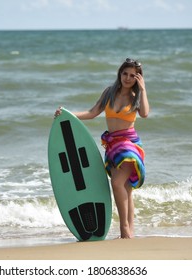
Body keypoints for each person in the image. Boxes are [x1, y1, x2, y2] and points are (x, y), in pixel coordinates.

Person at [54, 58, 150, 239]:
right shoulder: (109, 93)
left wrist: (143, 89)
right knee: (126, 188)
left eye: (132, 75)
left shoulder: (136, 96)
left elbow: (144, 113)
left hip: (129, 144)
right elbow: (92, 113)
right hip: (112, 144)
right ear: (119, 73)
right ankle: (130, 231)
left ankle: (124, 230)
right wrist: (67, 114)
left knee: (116, 184)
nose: (127, 78)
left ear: (138, 78)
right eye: (125, 74)